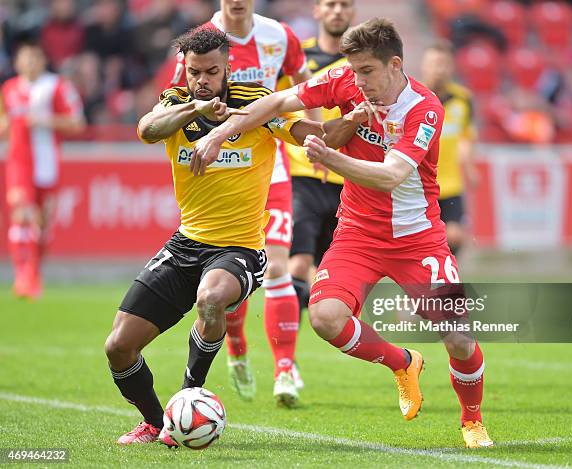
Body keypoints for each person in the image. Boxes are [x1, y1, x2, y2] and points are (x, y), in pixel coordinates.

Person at [192, 18, 494, 449]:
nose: (358, 80)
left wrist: (330, 159)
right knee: (325, 318)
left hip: (417, 239)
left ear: (394, 65)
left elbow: (391, 176)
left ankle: (472, 419)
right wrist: (222, 132)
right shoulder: (344, 80)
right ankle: (403, 363)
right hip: (358, 236)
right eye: (353, 70)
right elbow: (278, 101)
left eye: (366, 71)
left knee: (459, 338)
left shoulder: (425, 108)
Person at [103, 27, 356, 446]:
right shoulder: (174, 103)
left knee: (211, 298)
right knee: (118, 347)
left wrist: (349, 122)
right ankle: (156, 423)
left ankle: (189, 394)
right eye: (194, 71)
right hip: (185, 244)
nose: (202, 80)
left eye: (211, 72)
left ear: (228, 69)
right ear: (183, 68)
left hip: (239, 248)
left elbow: (312, 133)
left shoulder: (254, 103)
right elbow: (147, 130)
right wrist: (192, 110)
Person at [167, 0, 314, 404]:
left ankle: (285, 369)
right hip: (221, 167)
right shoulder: (199, 43)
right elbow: (172, 102)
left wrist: (312, 141)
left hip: (272, 166)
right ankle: (235, 348)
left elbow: (305, 89)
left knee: (281, 266)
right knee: (226, 287)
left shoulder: (280, 36)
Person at [286, 0, 355, 318]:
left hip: (348, 178)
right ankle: (285, 362)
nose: (338, 10)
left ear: (353, 12)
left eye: (345, 4)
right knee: (297, 262)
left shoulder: (361, 62)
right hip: (303, 175)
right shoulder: (298, 58)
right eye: (331, 4)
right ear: (317, 11)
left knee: (336, 275)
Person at [0, 41, 84, 300]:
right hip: (18, 162)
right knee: (21, 214)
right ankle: (23, 276)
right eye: (24, 58)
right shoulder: (9, 88)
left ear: (42, 61)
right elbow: (4, 122)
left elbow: (77, 123)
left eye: (34, 58)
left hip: (47, 163)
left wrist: (45, 120)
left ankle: (34, 274)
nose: (29, 63)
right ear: (17, 63)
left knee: (42, 224)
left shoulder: (57, 86)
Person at [421, 39, 478, 255]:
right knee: (422, 241)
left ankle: (445, 278)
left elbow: (466, 136)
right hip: (420, 184)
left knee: (454, 235)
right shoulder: (412, 96)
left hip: (451, 182)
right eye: (434, 63)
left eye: (443, 64)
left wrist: (469, 165)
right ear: (424, 66)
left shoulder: (463, 99)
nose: (439, 69)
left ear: (451, 66)